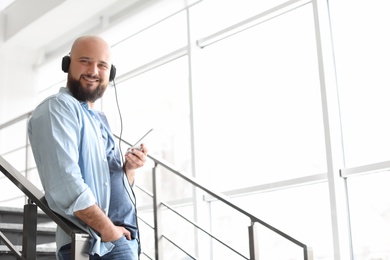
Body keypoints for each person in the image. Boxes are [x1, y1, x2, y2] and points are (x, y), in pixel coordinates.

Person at [28, 35, 147, 259]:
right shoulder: (58, 109)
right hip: (96, 243)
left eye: (102, 65)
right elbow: (65, 184)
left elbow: (114, 186)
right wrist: (110, 232)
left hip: (118, 241)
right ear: (67, 65)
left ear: (110, 73)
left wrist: (128, 169)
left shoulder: (98, 119)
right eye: (85, 61)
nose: (93, 71)